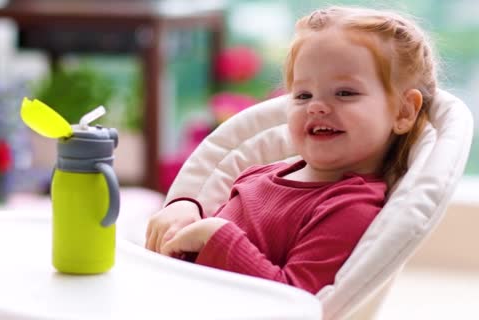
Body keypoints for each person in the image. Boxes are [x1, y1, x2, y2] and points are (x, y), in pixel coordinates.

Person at [145, 6, 437, 294]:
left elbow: (297, 302)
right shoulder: (259, 174)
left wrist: (216, 238)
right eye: (303, 94)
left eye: (345, 93)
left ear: (402, 111)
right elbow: (204, 232)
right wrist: (187, 209)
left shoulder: (349, 208)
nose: (316, 105)